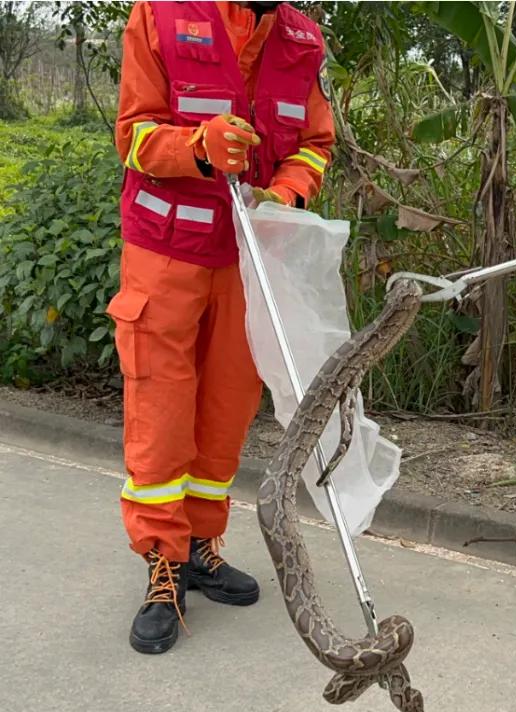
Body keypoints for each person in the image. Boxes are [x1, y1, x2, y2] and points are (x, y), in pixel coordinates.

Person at [108, 0, 334, 655]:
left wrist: (285, 193)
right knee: (162, 403)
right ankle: (162, 564)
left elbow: (315, 146)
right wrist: (198, 148)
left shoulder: (301, 40)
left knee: (227, 406)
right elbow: (134, 134)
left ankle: (202, 547)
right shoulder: (158, 15)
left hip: (247, 256)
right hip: (165, 250)